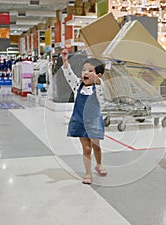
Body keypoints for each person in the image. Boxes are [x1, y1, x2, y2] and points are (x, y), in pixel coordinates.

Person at [61, 48, 107, 185]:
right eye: (84, 70)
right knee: (86, 148)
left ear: (98, 75)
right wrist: (65, 61)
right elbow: (68, 74)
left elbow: (101, 94)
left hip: (93, 122)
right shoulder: (77, 85)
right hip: (80, 121)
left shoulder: (99, 87)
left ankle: (99, 164)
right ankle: (88, 173)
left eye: (90, 71)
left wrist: (97, 82)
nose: (85, 73)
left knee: (96, 146)